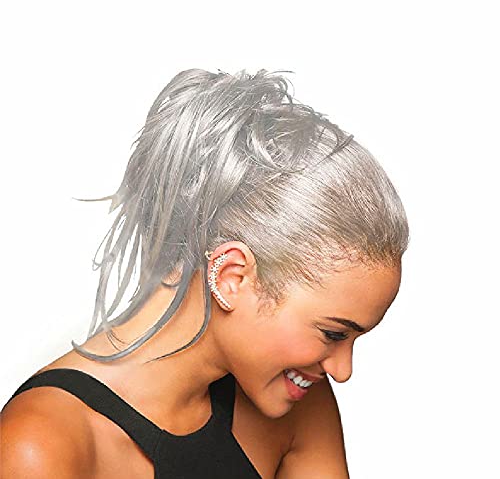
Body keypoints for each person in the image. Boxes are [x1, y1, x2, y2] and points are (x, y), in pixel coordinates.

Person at [0, 68, 409, 478]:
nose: (342, 371)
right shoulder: (41, 445)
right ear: (232, 277)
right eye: (333, 334)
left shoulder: (295, 401)